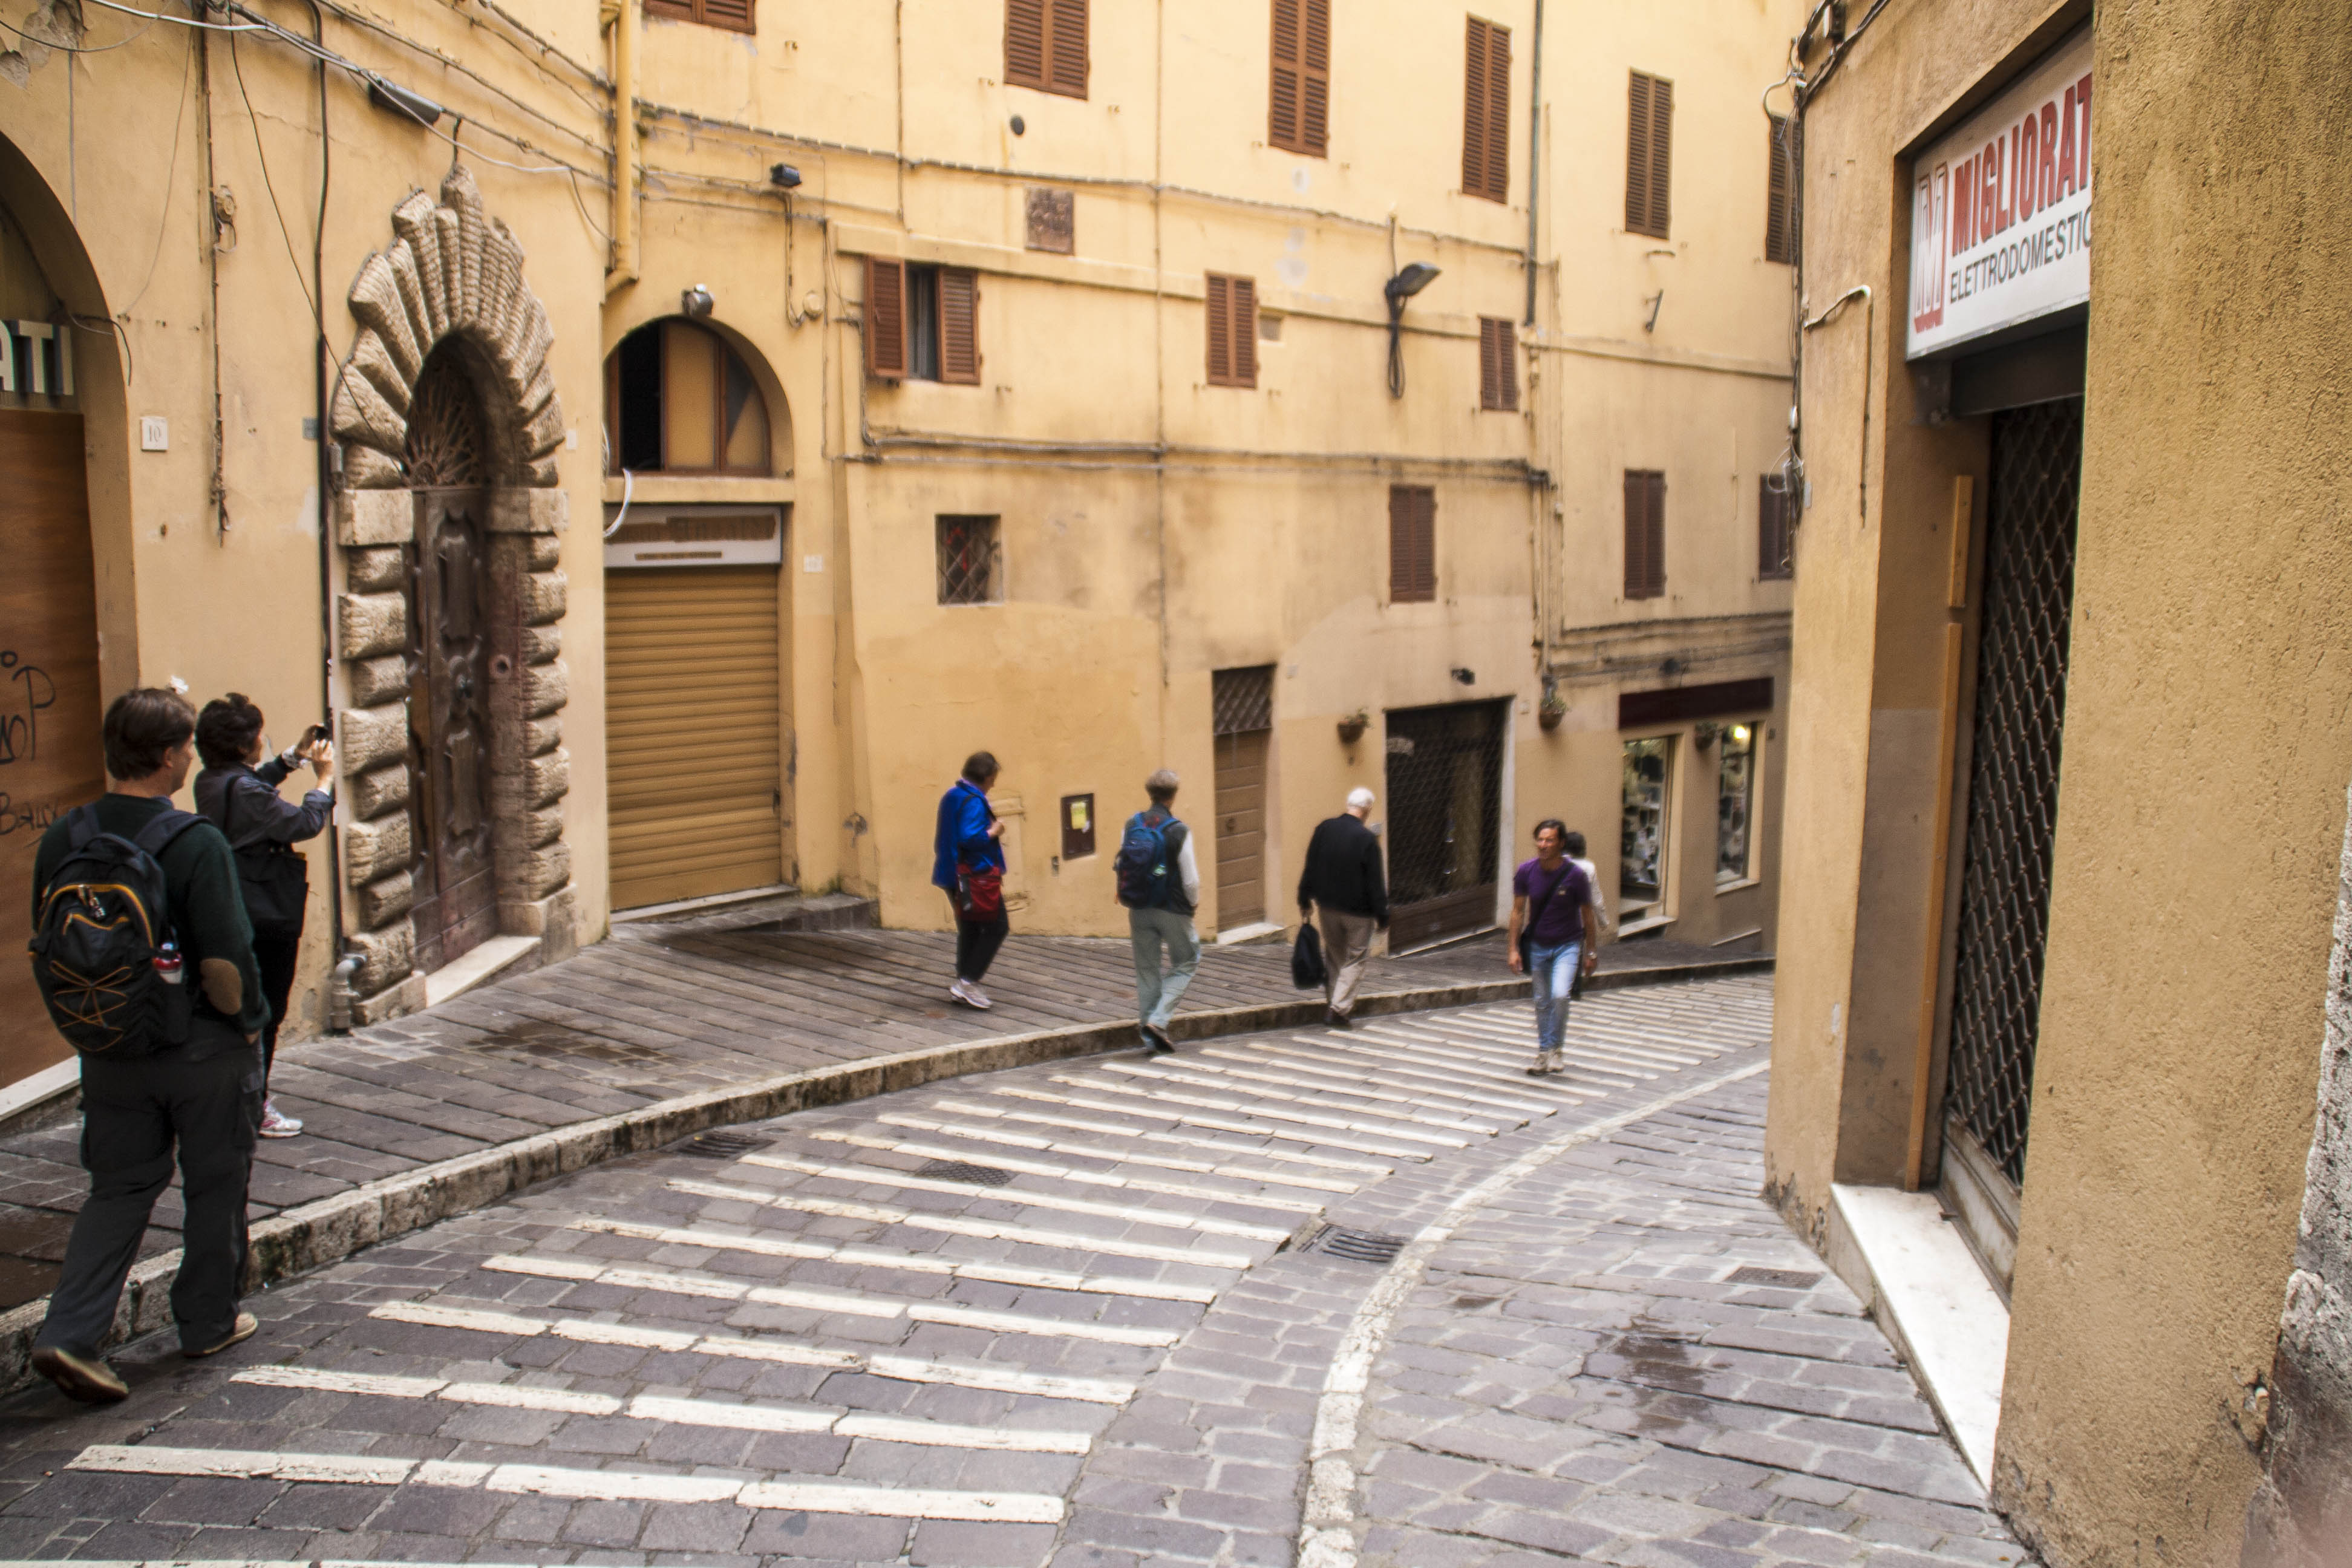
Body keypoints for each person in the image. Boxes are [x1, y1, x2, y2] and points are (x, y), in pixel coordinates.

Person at [30, 688, 266, 1402]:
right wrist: (250, 1022)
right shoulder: (194, 842)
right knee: (215, 1182)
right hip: (198, 1050)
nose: (190, 757)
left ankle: (69, 1334)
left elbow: (49, 946)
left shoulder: (62, 840)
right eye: (186, 747)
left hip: (109, 1049)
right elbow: (226, 964)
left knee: (121, 1185)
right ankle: (206, 1322)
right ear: (167, 757)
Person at [194, 694, 333, 1139]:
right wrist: (324, 779)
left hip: (231, 901)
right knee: (266, 1009)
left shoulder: (209, 781)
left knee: (232, 1008)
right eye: (258, 737)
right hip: (266, 907)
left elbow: (251, 787)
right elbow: (303, 823)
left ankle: (230, 1096)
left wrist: (293, 756)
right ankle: (257, 1102)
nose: (261, 743)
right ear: (242, 747)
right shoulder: (246, 790)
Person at [1117, 769, 1201, 1055]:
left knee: (1147, 970)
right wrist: (1193, 903)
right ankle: (1158, 1020)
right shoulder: (1179, 830)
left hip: (1139, 905)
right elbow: (1190, 879)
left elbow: (1123, 863)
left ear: (1149, 793)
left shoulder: (1132, 823)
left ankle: (1151, 1034)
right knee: (1188, 960)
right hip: (1172, 907)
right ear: (1173, 795)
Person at [1508, 818, 1599, 1076]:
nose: (1543, 845)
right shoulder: (1526, 871)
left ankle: (1556, 1049)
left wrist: (1590, 952)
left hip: (1568, 945)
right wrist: (1513, 949)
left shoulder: (1576, 876)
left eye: (1549, 840)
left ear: (1561, 844)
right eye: (1540, 839)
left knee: (1560, 995)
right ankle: (1544, 1051)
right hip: (1537, 945)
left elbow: (1587, 915)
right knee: (1541, 1001)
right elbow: (1517, 911)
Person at [1296, 786, 1388, 1029]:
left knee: (1335, 954)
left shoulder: (1324, 829)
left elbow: (1311, 864)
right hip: (1358, 912)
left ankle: (1333, 1003)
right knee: (1356, 957)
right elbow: (1375, 882)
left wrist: (1304, 897)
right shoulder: (1367, 839)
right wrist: (1383, 915)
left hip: (1327, 906)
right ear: (1367, 810)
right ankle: (1339, 1008)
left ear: (1349, 805)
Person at [932, 751, 1010, 1009]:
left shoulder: (952, 795)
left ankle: (963, 984)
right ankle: (968, 981)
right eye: (993, 779)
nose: (994, 784)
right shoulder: (974, 801)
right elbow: (970, 837)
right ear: (986, 777)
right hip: (974, 877)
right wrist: (994, 830)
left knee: (970, 928)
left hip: (950, 873)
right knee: (997, 925)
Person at [1562, 828, 1609, 998]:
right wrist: (1603, 921)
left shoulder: (1555, 864)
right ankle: (1574, 989)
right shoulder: (1588, 867)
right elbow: (1596, 898)